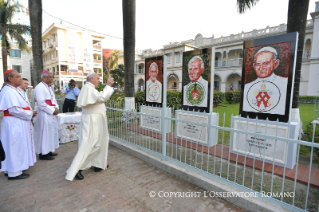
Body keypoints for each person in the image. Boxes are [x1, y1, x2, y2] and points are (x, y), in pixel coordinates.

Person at [65, 71, 114, 181]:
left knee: (99, 142)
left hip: (96, 119)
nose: (99, 80)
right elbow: (101, 98)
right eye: (97, 78)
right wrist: (108, 86)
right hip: (93, 120)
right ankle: (78, 168)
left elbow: (97, 98)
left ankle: (98, 164)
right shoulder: (88, 88)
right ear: (91, 79)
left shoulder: (90, 88)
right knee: (90, 144)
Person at [0, 70, 37, 180]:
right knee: (15, 146)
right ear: (10, 79)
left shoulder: (13, 90)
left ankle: (10, 168)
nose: (20, 79)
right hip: (14, 122)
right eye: (18, 76)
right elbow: (14, 110)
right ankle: (14, 172)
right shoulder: (9, 91)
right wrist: (30, 113)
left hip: (16, 121)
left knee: (14, 145)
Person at [243, 46, 288, 115]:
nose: (261, 68)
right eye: (258, 64)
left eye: (266, 63)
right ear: (254, 66)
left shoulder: (284, 83)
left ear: (276, 64)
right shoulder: (248, 86)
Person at [34, 71, 59, 160]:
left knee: (50, 133)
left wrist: (56, 108)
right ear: (43, 78)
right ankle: (43, 153)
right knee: (44, 133)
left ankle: (49, 150)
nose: (51, 78)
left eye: (52, 77)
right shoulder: (40, 87)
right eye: (49, 77)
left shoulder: (48, 87)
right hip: (44, 113)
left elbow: (53, 100)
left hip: (50, 113)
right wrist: (52, 110)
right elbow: (41, 103)